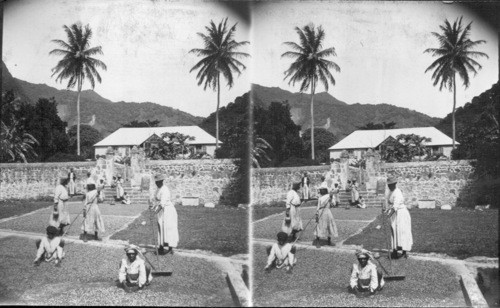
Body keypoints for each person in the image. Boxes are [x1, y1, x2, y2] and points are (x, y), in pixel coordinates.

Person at [385, 176, 413, 259]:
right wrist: (387, 210)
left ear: (395, 184)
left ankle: (405, 251)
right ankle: (395, 250)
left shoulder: (398, 192)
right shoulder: (391, 191)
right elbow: (391, 204)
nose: (390, 186)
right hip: (395, 214)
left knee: (403, 231)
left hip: (401, 214)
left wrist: (388, 215)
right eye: (389, 185)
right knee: (394, 231)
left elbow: (395, 206)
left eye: (392, 184)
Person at [150, 174, 178, 255]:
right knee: (161, 228)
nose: (157, 183)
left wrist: (154, 213)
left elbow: (162, 204)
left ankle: (170, 247)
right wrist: (152, 206)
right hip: (161, 211)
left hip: (168, 211)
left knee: (168, 229)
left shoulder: (165, 190)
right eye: (156, 182)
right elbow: (156, 199)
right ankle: (161, 247)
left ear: (162, 181)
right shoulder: (158, 189)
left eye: (158, 182)